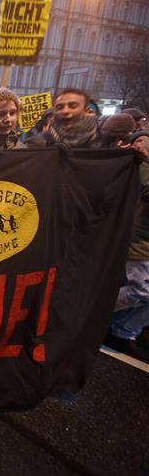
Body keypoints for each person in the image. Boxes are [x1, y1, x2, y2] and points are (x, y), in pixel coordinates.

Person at [104, 136, 149, 362]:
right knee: (140, 290)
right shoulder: (141, 165)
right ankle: (92, 310)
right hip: (141, 242)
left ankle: (124, 332)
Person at [26, 88, 100, 148]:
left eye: (73, 106)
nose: (65, 111)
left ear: (86, 111)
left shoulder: (103, 139)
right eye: (59, 107)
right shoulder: (41, 141)